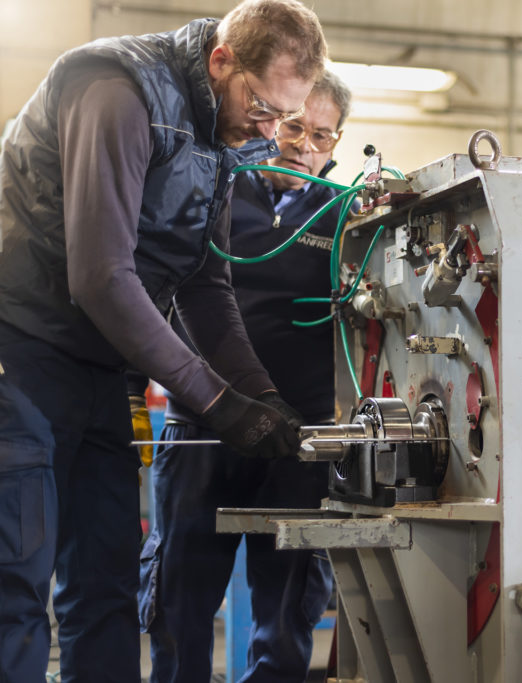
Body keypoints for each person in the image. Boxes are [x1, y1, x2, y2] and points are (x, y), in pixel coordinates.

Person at [0, 1, 327, 681]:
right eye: (264, 108)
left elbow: (207, 285)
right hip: (21, 352)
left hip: (101, 370)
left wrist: (262, 399)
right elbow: (102, 278)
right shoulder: (117, 92)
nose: (270, 130)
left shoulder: (221, 136)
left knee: (106, 584)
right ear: (221, 60)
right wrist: (216, 402)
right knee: (16, 583)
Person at [136, 70, 352, 683]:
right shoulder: (211, 190)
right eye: (293, 127)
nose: (304, 146)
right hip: (201, 422)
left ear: (337, 143)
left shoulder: (348, 220)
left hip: (299, 438)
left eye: (322, 136)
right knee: (180, 593)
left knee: (287, 606)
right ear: (269, 119)